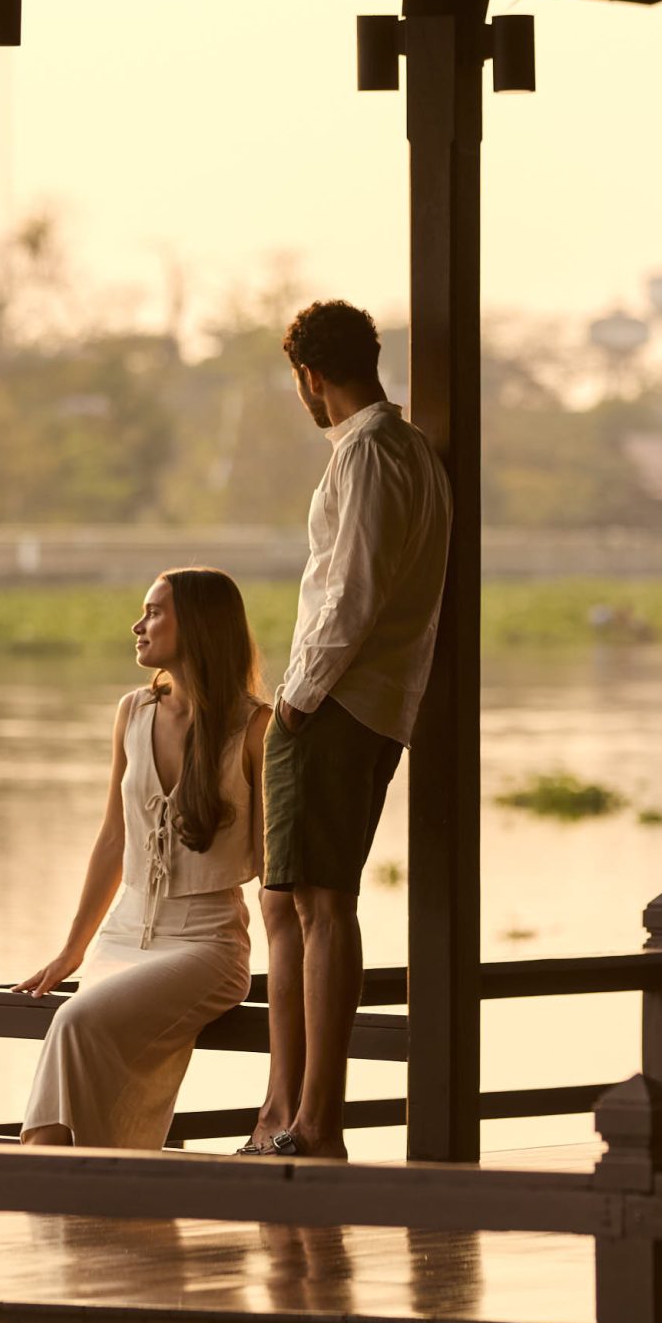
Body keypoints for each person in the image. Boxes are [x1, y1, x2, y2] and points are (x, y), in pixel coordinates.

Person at [245, 300, 451, 1160]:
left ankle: (313, 1122)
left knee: (320, 904)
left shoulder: (367, 453)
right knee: (288, 899)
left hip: (335, 704)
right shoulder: (414, 454)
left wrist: (296, 698)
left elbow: (351, 591)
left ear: (311, 377)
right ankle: (283, 1113)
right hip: (371, 704)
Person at [13, 567, 273, 1150]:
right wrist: (73, 949)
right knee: (78, 1039)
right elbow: (112, 838)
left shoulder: (257, 728)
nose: (139, 624)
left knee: (77, 1023)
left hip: (207, 944)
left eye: (154, 611)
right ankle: (74, 1196)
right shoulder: (133, 712)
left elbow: (273, 865)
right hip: (121, 937)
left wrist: (292, 973)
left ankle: (49, 1182)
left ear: (200, 626)